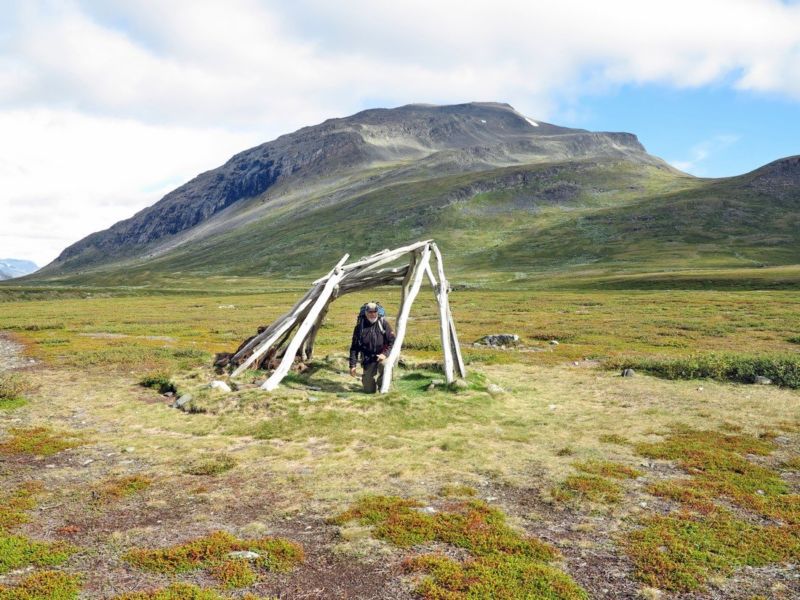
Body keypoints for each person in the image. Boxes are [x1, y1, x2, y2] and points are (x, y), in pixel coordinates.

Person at [349, 302, 396, 393]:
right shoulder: (359, 328)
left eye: (375, 312)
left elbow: (393, 342)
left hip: (383, 355)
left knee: (385, 365)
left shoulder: (383, 324)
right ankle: (371, 385)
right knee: (369, 390)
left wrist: (385, 354)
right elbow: (354, 348)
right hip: (368, 358)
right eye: (370, 312)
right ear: (366, 312)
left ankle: (383, 388)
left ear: (378, 312)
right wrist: (352, 366)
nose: (373, 314)